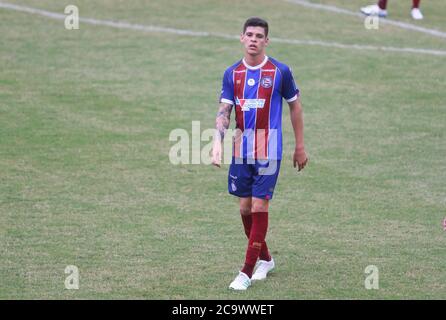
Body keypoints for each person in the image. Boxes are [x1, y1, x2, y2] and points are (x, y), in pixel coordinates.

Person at [211, 17, 308, 290]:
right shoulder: (232, 74)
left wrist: (299, 146)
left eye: (259, 36)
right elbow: (224, 112)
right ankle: (265, 258)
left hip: (269, 150)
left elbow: (295, 108)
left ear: (267, 41)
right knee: (244, 208)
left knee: (259, 206)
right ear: (242, 38)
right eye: (249, 35)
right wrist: (217, 143)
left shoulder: (280, 72)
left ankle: (245, 272)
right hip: (242, 150)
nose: (253, 39)